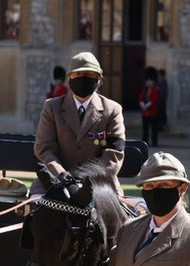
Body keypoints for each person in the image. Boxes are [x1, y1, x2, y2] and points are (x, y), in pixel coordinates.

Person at [34, 51, 126, 197]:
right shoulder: (52, 108)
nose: (83, 79)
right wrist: (64, 177)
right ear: (69, 77)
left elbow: (113, 155)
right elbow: (44, 149)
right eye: (77, 74)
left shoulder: (113, 110)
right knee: (38, 213)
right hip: (54, 180)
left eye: (89, 75)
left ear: (98, 79)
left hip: (98, 183)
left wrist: (85, 180)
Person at [139, 67, 161, 147]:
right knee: (145, 129)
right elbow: (140, 98)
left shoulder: (155, 90)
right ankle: (145, 142)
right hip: (145, 113)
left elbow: (154, 100)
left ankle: (154, 143)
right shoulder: (144, 90)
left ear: (153, 82)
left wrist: (147, 105)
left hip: (153, 112)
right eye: (147, 81)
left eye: (149, 81)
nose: (148, 82)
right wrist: (142, 104)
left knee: (154, 129)